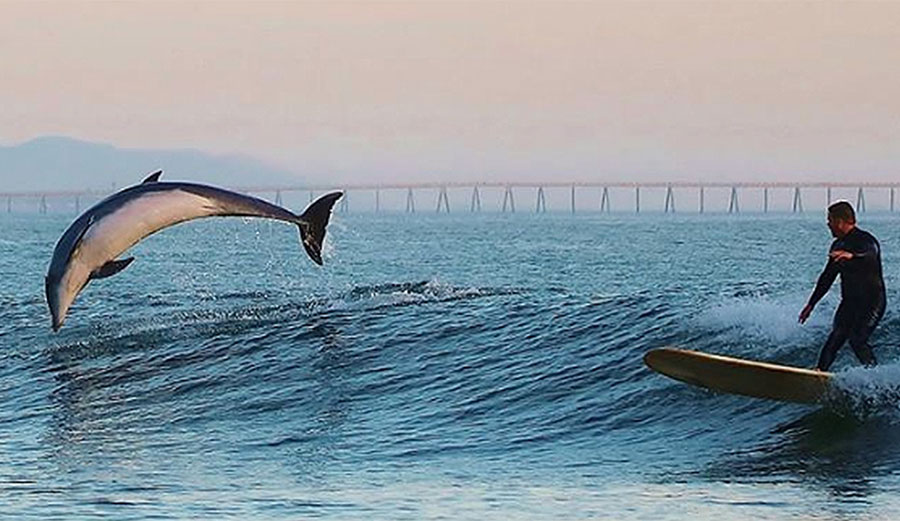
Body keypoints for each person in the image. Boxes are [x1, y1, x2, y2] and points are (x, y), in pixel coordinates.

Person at [798, 201, 885, 371]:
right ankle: (819, 373)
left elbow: (870, 253)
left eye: (830, 220)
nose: (828, 224)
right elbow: (827, 278)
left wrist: (852, 256)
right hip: (850, 303)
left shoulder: (865, 240)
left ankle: (876, 378)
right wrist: (811, 304)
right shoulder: (837, 246)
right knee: (835, 337)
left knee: (857, 339)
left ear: (840, 221)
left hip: (872, 303)